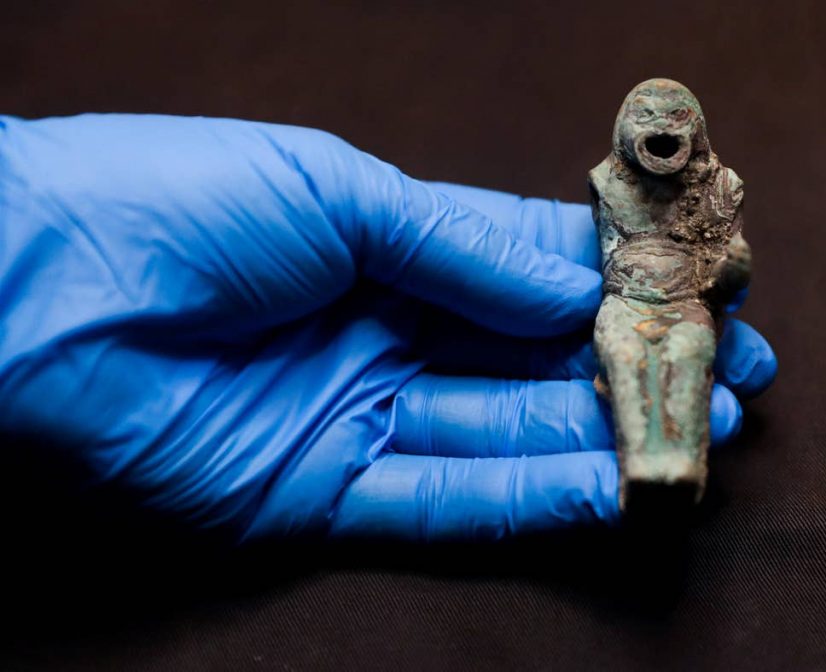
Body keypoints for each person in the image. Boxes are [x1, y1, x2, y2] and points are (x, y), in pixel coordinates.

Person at [0, 114, 777, 543]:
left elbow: (726, 258)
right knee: (622, 354)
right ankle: (656, 468)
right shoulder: (611, 183)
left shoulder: (718, 189)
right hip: (617, 311)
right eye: (650, 127)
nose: (662, 142)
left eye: (676, 129)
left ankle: (675, 462)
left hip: (674, 308)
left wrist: (715, 272)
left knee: (688, 350)